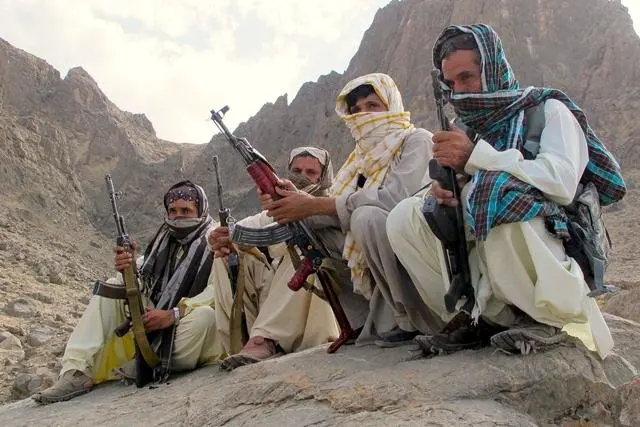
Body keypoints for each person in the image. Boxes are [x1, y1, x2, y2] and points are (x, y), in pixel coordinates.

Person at [386, 24, 626, 357]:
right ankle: (482, 317)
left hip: (558, 242)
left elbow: (562, 181)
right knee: (405, 216)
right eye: (451, 84)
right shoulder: (465, 127)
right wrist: (447, 189)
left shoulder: (547, 110)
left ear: (493, 70)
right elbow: (464, 185)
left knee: (496, 191)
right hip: (493, 243)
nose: (459, 92)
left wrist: (477, 158)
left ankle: (546, 318)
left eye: (467, 78)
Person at [255, 73, 441, 350]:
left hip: (420, 247)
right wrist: (290, 202)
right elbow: (339, 210)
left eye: (372, 106)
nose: (363, 115)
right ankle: (363, 320)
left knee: (367, 218)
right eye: (356, 110)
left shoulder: (417, 140)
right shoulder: (358, 159)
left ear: (391, 105)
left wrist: (313, 204)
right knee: (311, 232)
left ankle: (413, 318)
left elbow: (393, 200)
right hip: (378, 246)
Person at [33, 181, 223, 404]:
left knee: (205, 317)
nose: (178, 217)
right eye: (173, 211)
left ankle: (150, 363)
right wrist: (130, 268)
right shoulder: (162, 240)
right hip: (153, 319)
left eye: (186, 211)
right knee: (113, 287)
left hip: (186, 322)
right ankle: (76, 371)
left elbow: (218, 291)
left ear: (201, 211)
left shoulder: (215, 239)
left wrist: (173, 314)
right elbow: (143, 283)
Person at [209, 147, 340, 369]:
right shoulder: (272, 212)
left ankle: (266, 339)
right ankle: (242, 342)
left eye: (311, 172)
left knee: (306, 249)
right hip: (274, 298)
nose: (302, 177)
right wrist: (218, 238)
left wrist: (305, 208)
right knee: (224, 256)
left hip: (320, 299)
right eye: (296, 171)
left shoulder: (331, 207)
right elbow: (238, 230)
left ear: (323, 178)